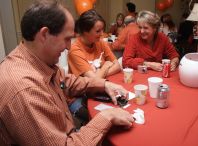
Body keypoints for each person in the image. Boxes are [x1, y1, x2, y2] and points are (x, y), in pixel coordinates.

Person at [0, 1, 134, 145]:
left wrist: (104, 84)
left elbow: (68, 81)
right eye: (67, 39)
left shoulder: (36, 60)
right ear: (44, 34)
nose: (69, 47)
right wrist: (106, 117)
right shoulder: (26, 90)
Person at [68, 9, 121, 78]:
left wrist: (100, 74)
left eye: (103, 30)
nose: (102, 34)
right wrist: (106, 65)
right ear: (85, 32)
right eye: (98, 31)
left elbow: (117, 66)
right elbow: (93, 80)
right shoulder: (74, 50)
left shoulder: (100, 42)